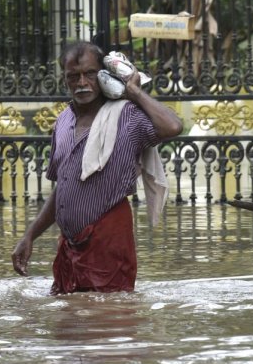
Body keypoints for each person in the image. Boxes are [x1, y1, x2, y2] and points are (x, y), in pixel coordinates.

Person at [11, 41, 183, 294]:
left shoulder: (126, 116)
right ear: (65, 79)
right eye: (73, 76)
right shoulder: (64, 121)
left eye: (90, 74)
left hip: (108, 241)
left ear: (103, 76)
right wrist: (30, 235)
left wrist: (133, 91)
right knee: (69, 324)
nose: (82, 83)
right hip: (69, 246)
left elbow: (173, 127)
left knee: (108, 321)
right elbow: (64, 187)